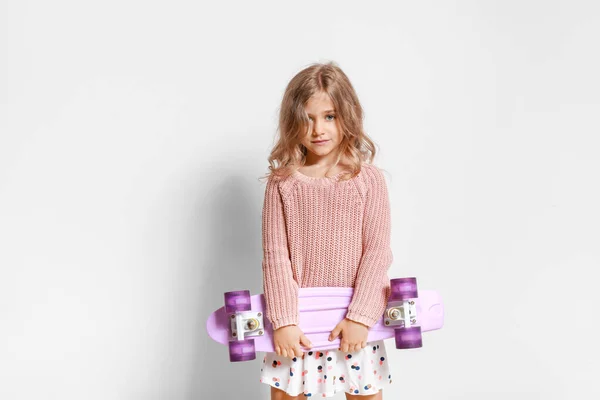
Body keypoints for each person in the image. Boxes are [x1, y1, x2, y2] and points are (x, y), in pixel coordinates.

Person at [258, 61, 394, 399]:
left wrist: (361, 316)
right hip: (297, 326)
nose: (318, 129)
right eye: (308, 118)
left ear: (347, 116)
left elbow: (376, 252)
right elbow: (276, 257)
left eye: (329, 116)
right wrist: (285, 321)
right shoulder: (283, 183)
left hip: (353, 321)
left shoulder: (369, 180)